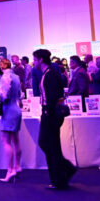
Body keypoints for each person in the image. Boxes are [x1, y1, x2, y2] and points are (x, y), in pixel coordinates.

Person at [34, 49, 76, 190]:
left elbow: (51, 97)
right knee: (49, 145)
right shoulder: (49, 73)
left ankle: (61, 176)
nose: (34, 62)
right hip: (49, 113)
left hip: (50, 115)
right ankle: (63, 173)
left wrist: (48, 112)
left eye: (35, 59)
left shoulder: (50, 75)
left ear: (40, 60)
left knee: (49, 145)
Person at [0, 58, 22, 182]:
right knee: (16, 139)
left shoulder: (5, 78)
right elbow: (20, 94)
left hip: (8, 110)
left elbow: (4, 96)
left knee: (6, 140)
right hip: (17, 109)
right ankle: (18, 166)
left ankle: (10, 170)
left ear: (2, 66)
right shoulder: (17, 77)